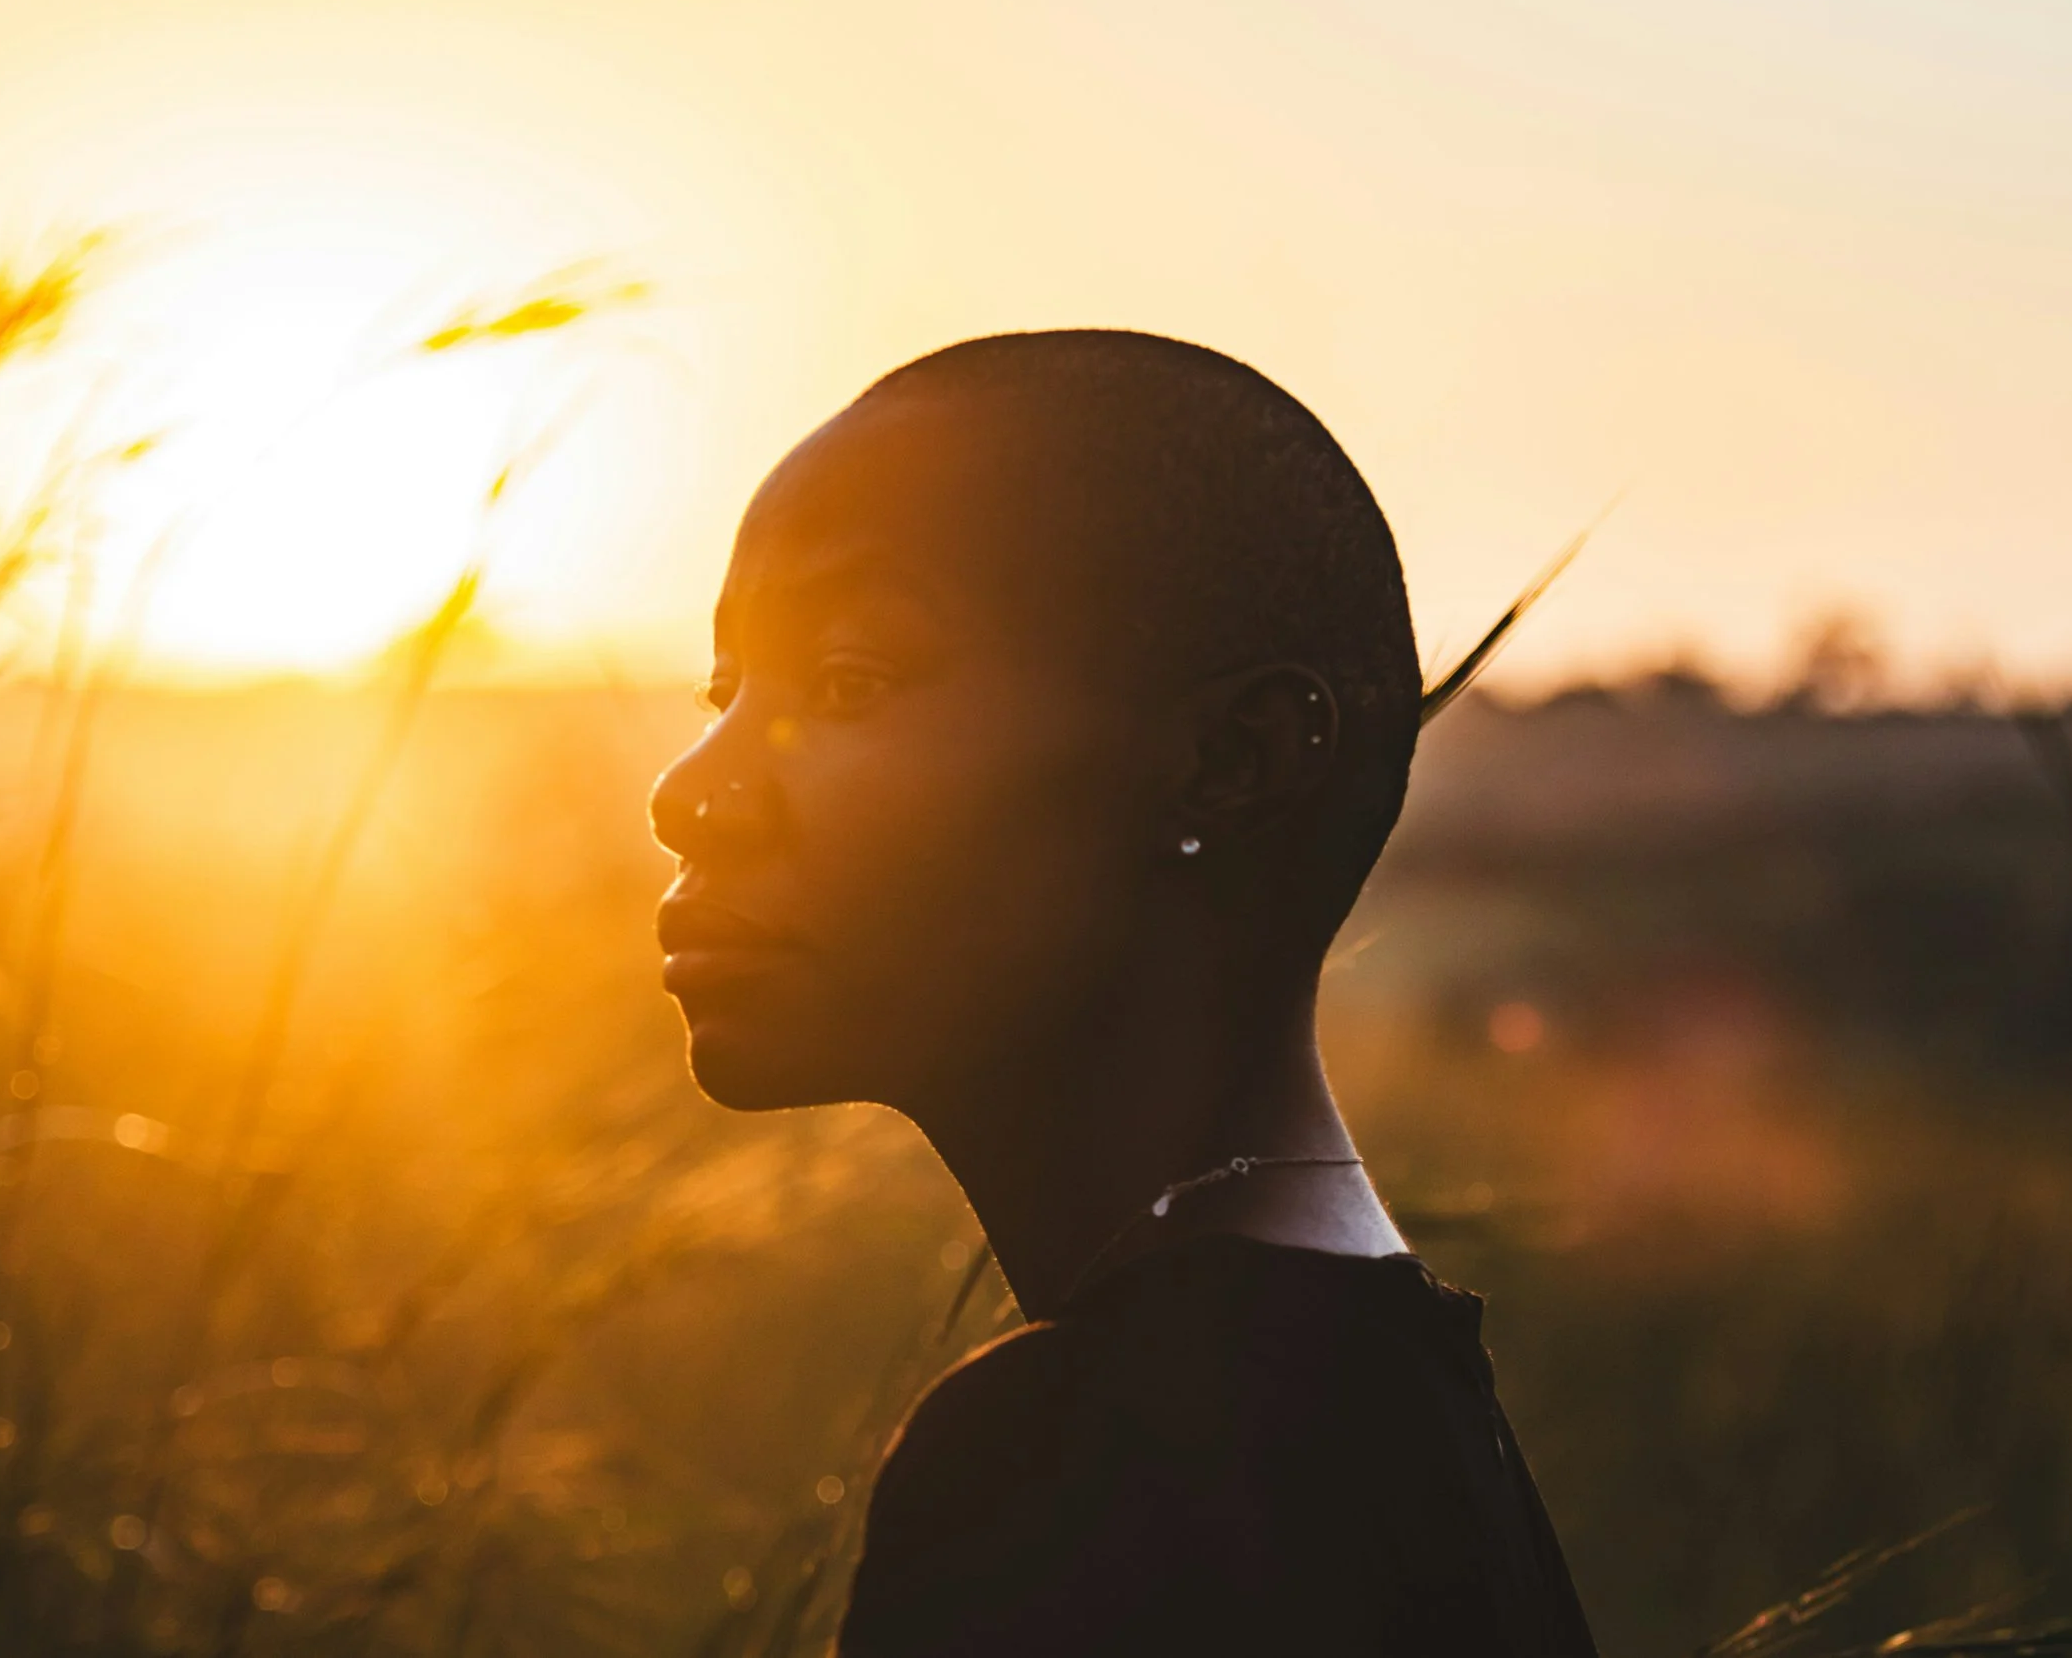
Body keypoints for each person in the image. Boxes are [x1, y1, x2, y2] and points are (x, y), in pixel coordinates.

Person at [650, 331, 1597, 1656]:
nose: (688, 792)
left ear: (1231, 760)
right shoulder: (1407, 1409)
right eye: (725, 689)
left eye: (846, 683)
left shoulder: (1083, 1472)